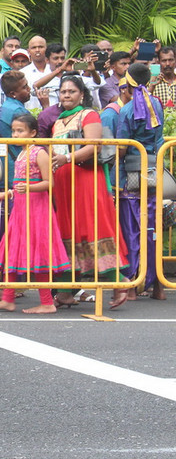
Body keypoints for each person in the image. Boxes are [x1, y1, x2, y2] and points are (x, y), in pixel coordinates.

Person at [50, 75, 129, 309]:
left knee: (92, 229)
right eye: (63, 91)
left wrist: (66, 158)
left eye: (71, 91)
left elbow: (93, 145)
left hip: (85, 180)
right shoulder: (58, 121)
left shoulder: (89, 114)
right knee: (69, 232)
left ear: (81, 94)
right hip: (64, 183)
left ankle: (119, 282)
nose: (66, 95)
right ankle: (66, 291)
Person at [0, 114, 70, 313]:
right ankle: (8, 298)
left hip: (37, 211)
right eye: (14, 130)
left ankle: (47, 302)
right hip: (21, 211)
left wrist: (28, 189)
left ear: (32, 133)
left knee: (40, 255)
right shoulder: (21, 154)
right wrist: (8, 193)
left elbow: (49, 183)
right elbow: (20, 185)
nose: (15, 134)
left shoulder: (39, 152)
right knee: (12, 251)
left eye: (20, 130)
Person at [115, 64, 164, 300]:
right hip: (154, 171)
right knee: (152, 229)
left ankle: (133, 285)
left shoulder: (126, 110)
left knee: (131, 231)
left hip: (131, 176)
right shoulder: (157, 103)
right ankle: (158, 286)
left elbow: (122, 148)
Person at [0, 71, 32, 186]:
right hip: (17, 174)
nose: (29, 89)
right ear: (13, 93)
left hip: (1, 172)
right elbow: (33, 139)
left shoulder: (1, 110)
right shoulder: (18, 111)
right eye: (24, 87)